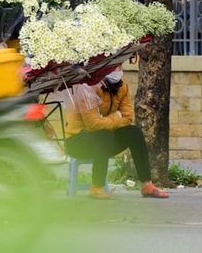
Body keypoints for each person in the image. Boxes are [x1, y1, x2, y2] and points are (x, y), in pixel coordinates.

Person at [64, 66, 169, 200]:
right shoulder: (86, 86)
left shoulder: (122, 83)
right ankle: (96, 187)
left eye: (120, 65)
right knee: (104, 134)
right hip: (77, 141)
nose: (117, 69)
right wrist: (116, 117)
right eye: (114, 65)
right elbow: (93, 124)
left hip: (105, 140)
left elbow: (128, 117)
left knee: (134, 132)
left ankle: (147, 185)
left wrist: (107, 121)